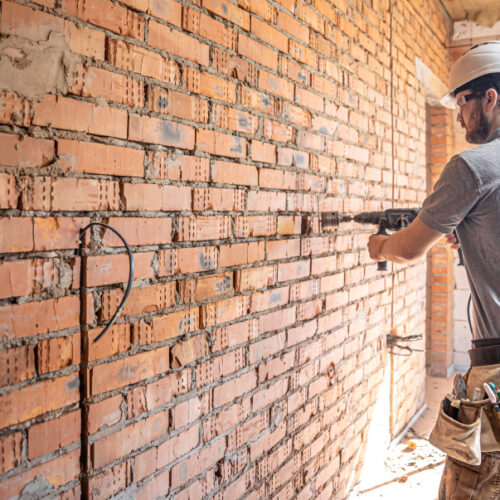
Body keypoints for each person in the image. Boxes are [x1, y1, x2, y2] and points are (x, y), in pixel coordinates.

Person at [367, 41, 500, 499]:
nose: (460, 118)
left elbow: (406, 251)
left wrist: (379, 245)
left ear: (490, 98)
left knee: (472, 486)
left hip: (499, 365)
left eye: (462, 103)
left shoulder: (472, 167)